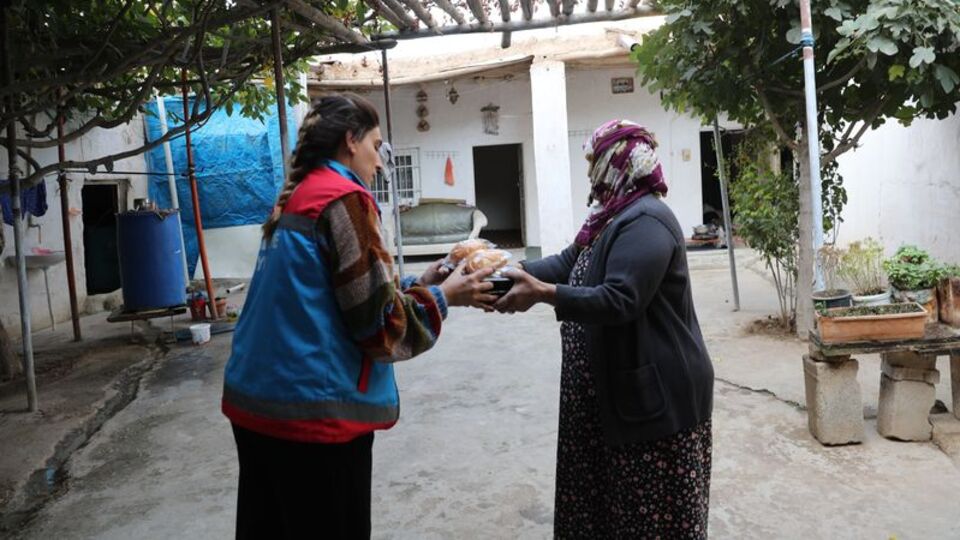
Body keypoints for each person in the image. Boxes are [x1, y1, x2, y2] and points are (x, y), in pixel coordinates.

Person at [221, 94, 496, 539]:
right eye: (376, 144)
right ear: (350, 141)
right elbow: (379, 327)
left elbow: (329, 296)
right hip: (310, 418)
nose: (378, 160)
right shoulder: (344, 199)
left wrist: (417, 282)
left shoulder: (295, 199)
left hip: (256, 406)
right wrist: (444, 297)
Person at [494, 120, 715, 538]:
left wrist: (543, 293)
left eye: (594, 159)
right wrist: (506, 275)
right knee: (610, 513)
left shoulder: (647, 219)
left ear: (618, 161)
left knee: (648, 520)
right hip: (614, 393)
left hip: (655, 399)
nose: (589, 169)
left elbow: (621, 299)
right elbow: (567, 263)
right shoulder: (608, 216)